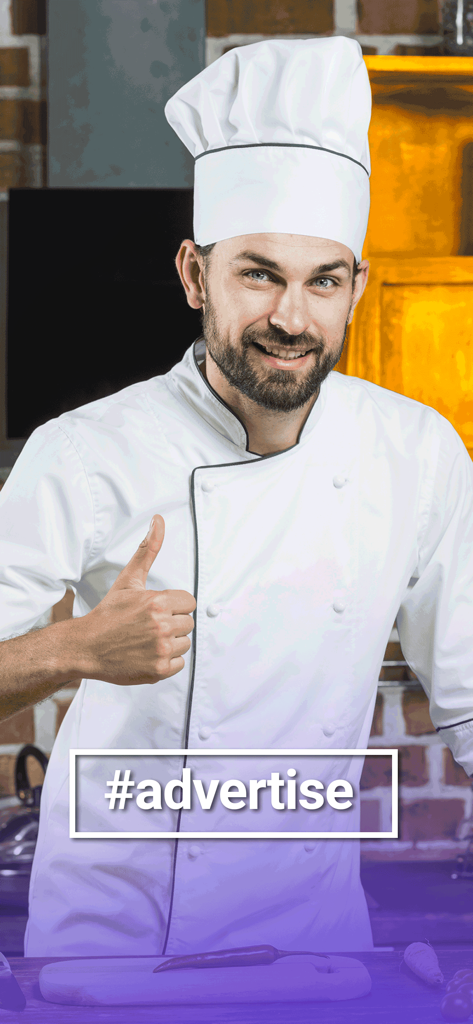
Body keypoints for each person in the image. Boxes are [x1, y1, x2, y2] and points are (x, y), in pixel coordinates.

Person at [0, 37, 472, 958]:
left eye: (322, 281)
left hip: (313, 945)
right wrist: (75, 649)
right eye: (258, 274)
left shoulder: (414, 452)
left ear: (355, 290)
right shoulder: (85, 451)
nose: (290, 318)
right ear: (193, 275)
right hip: (114, 942)